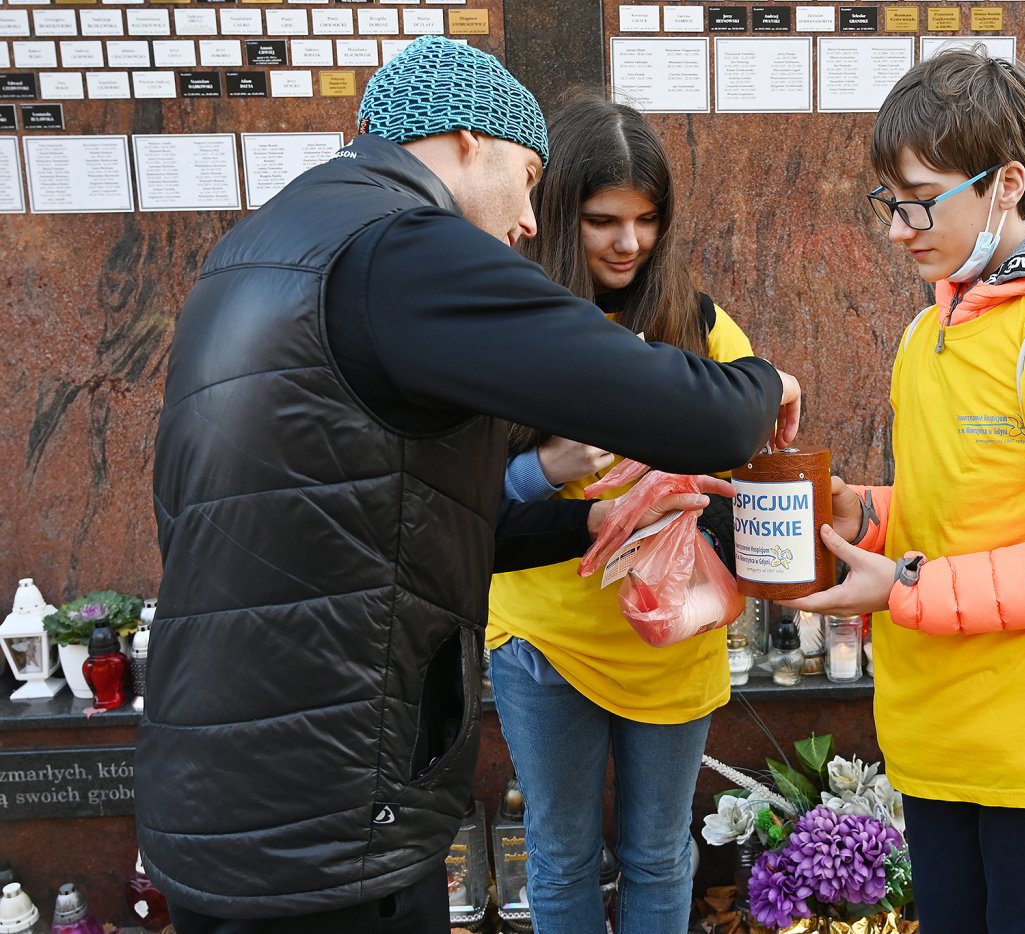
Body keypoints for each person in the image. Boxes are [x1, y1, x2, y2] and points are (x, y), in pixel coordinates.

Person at [138, 36, 799, 934]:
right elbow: (709, 420)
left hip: (230, 791)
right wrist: (767, 386)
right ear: (461, 141)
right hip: (329, 805)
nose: (531, 221)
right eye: (529, 178)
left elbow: (378, 520)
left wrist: (591, 522)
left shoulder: (265, 243)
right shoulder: (401, 246)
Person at [784, 48, 1025, 933]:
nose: (898, 227)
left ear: (1008, 182)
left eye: (921, 198)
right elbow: (969, 506)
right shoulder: (932, 327)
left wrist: (907, 589)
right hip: (936, 734)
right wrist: (868, 515)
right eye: (890, 200)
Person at [486, 96, 752, 934]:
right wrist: (544, 466)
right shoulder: (502, 327)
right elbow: (449, 503)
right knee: (562, 856)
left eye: (646, 220)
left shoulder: (700, 327)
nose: (628, 243)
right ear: (558, 214)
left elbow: (752, 465)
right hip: (543, 638)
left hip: (670, 638)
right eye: (602, 220)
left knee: (658, 852)